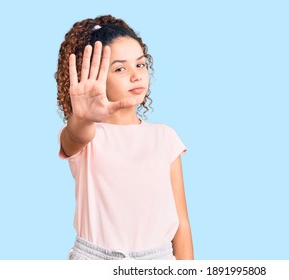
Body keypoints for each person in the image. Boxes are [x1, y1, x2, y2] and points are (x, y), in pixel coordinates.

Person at [55, 14, 193, 260]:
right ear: (94, 77)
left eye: (140, 64)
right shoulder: (88, 135)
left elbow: (181, 221)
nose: (136, 75)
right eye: (120, 68)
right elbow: (72, 138)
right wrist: (82, 118)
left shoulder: (165, 137)